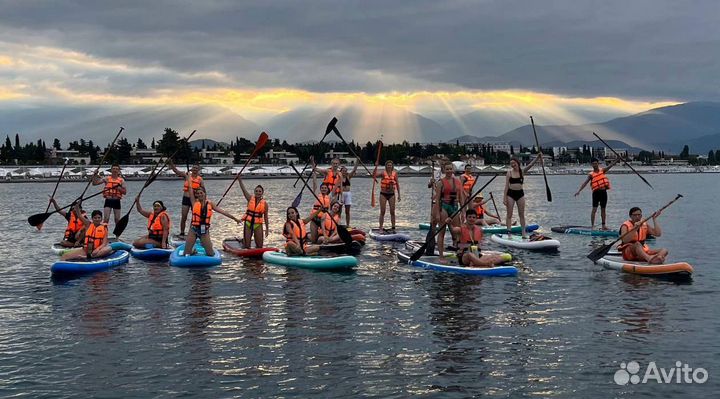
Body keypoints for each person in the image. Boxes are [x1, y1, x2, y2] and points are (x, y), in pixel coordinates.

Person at [184, 174, 242, 257]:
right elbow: (190, 188)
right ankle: (192, 251)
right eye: (198, 193)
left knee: (210, 254)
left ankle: (200, 249)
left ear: (204, 193)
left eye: (201, 193)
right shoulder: (194, 202)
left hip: (204, 231)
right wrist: (188, 178)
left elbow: (223, 212)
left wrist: (235, 219)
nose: (200, 195)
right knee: (186, 253)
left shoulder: (210, 204)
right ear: (196, 195)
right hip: (193, 230)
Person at [574, 157, 621, 230]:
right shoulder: (591, 174)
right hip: (596, 193)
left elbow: (610, 165)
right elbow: (585, 183)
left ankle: (603, 226)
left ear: (598, 164)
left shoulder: (603, 170)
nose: (595, 165)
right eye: (593, 164)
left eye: (596, 163)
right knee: (594, 209)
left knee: (603, 209)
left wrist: (617, 160)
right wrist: (579, 191)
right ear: (591, 165)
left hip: (603, 192)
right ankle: (592, 226)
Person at [504, 155, 541, 239]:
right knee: (509, 214)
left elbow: (530, 165)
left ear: (517, 163)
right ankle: (509, 233)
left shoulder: (522, 171)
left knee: (522, 214)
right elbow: (506, 186)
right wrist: (504, 198)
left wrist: (538, 157)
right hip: (510, 194)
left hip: (520, 194)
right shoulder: (509, 172)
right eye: (511, 164)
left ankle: (523, 233)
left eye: (514, 163)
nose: (513, 165)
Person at [168, 162, 205, 239]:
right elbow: (176, 171)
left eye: (196, 168)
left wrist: (204, 201)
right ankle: (182, 232)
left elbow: (204, 190)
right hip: (186, 198)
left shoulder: (200, 179)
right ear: (191, 169)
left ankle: (193, 232)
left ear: (198, 170)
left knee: (195, 217)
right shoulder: (187, 175)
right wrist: (171, 164)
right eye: (193, 168)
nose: (194, 170)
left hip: (195, 199)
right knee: (184, 217)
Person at [434, 162, 464, 257]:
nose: (449, 171)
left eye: (450, 169)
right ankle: (441, 255)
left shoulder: (458, 182)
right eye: (447, 169)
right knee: (441, 232)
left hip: (455, 207)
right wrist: (437, 214)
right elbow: (437, 199)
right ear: (444, 170)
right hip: (444, 207)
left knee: (456, 233)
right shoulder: (440, 183)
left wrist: (463, 212)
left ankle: (458, 252)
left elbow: (461, 198)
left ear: (453, 170)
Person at [238, 177, 269, 248]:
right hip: (248, 223)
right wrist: (239, 180)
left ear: (262, 193)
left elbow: (266, 217)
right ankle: (245, 242)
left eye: (260, 191)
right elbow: (243, 190)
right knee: (247, 246)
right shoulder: (250, 198)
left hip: (258, 224)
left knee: (259, 245)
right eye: (257, 191)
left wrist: (267, 229)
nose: (258, 192)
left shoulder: (265, 204)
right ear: (254, 192)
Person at [375, 160, 401, 232]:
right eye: (388, 165)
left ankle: (393, 227)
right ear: (386, 166)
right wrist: (376, 166)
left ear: (392, 166)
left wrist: (399, 195)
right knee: (382, 211)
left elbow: (397, 184)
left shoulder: (395, 173)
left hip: (392, 194)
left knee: (392, 211)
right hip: (383, 194)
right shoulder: (383, 173)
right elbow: (374, 175)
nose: (389, 166)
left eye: (390, 165)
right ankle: (381, 227)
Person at [308, 171, 332, 243]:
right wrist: (314, 175)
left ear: (327, 190)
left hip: (324, 219)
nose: (324, 189)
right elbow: (315, 185)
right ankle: (308, 236)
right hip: (315, 218)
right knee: (313, 240)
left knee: (323, 235)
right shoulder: (317, 195)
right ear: (320, 189)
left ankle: (321, 237)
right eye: (322, 188)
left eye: (325, 188)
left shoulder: (329, 197)